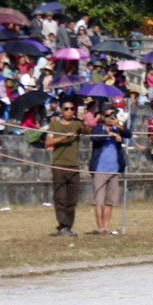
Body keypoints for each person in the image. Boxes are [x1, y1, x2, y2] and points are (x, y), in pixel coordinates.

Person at [46, 97, 89, 237]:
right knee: (60, 198)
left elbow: (87, 132)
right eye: (66, 109)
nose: (69, 111)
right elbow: (48, 142)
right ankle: (62, 226)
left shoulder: (77, 124)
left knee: (72, 199)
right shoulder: (55, 125)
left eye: (72, 109)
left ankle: (68, 226)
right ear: (61, 110)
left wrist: (83, 121)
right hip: (59, 164)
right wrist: (63, 137)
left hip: (73, 165)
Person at [88, 105, 131, 235]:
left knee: (110, 201)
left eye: (112, 115)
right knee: (99, 201)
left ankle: (106, 227)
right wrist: (109, 133)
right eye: (107, 115)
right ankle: (100, 227)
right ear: (102, 117)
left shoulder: (118, 129)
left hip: (114, 170)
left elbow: (128, 134)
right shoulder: (97, 129)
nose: (110, 118)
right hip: (100, 170)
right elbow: (94, 137)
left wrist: (119, 126)